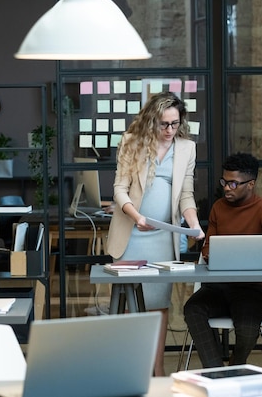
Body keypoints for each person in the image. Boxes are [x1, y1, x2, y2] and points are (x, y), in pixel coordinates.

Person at [107, 91, 205, 376]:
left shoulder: (186, 148)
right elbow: (119, 189)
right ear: (151, 120)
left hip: (163, 238)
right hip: (132, 235)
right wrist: (137, 217)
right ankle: (130, 372)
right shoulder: (131, 142)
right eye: (164, 124)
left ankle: (157, 372)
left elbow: (186, 195)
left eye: (175, 124)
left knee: (159, 305)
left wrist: (194, 223)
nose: (170, 130)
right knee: (130, 306)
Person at [183, 152, 262, 368]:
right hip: (217, 289)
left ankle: (235, 365)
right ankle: (217, 373)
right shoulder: (218, 208)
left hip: (250, 290)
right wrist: (217, 254)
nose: (227, 188)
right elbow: (208, 248)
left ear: (250, 184)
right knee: (193, 309)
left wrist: (237, 256)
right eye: (225, 181)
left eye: (233, 183)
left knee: (248, 330)